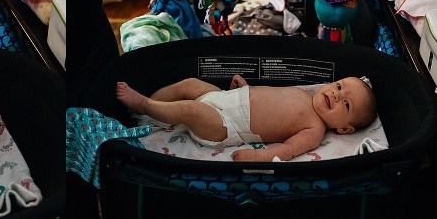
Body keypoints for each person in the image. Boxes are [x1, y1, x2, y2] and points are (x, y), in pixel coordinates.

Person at [116, 74, 378, 162]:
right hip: (224, 99)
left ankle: (145, 105)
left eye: (345, 103)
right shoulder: (303, 92)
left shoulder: (314, 129)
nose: (334, 93)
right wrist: (244, 89)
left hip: (225, 126)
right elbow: (266, 99)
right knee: (190, 84)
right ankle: (150, 104)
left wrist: (256, 156)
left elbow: (286, 151)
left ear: (344, 129)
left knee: (190, 110)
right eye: (340, 86)